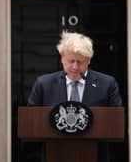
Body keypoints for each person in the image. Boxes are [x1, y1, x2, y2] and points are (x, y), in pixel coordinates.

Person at [27, 32, 123, 162]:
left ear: (89, 60)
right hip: (54, 155)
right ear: (62, 58)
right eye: (71, 61)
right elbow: (30, 122)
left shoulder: (107, 84)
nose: (75, 67)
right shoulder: (44, 85)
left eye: (80, 62)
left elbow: (115, 123)